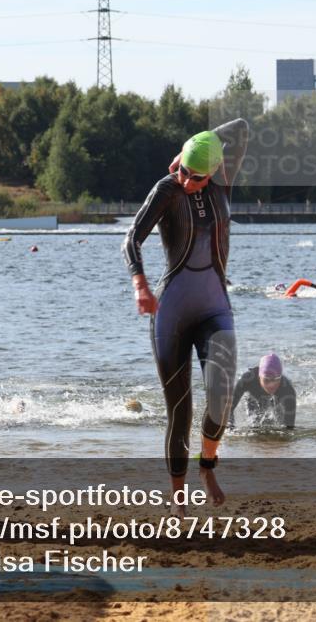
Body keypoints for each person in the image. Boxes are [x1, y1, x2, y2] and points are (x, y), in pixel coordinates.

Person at [122, 118, 249, 511]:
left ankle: (207, 466)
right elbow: (132, 238)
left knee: (222, 395)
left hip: (215, 308)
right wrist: (140, 285)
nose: (184, 179)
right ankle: (178, 496)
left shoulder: (222, 180)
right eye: (181, 171)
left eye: (194, 175)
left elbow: (241, 127)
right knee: (181, 410)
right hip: (171, 311)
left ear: (211, 173)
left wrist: (191, 145)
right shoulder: (167, 189)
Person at [229, 354, 296, 429]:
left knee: (276, 424)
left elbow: (290, 428)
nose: (271, 385)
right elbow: (228, 409)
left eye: (276, 379)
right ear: (259, 376)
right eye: (266, 380)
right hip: (254, 400)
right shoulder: (246, 380)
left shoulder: (287, 389)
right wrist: (231, 428)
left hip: (276, 402)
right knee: (255, 425)